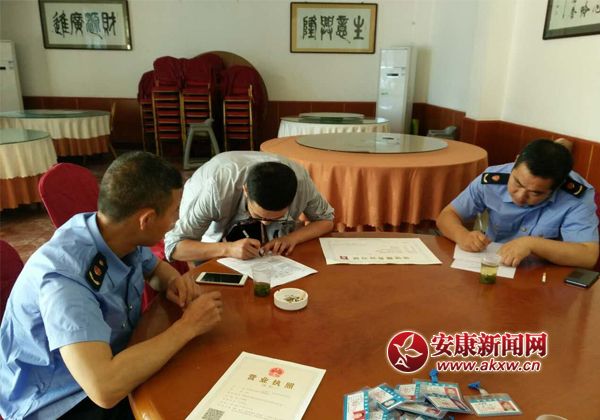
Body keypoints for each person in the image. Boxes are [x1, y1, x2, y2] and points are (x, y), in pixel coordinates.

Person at [0, 152, 223, 419]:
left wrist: (173, 281)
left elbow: (153, 268)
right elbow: (104, 389)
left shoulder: (112, 231)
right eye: (173, 212)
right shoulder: (65, 283)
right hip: (61, 400)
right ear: (146, 220)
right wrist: (188, 327)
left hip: (108, 363)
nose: (175, 222)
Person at [437, 139, 599, 268]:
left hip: (544, 274)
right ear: (515, 162)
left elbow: (588, 255)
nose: (521, 197)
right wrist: (462, 235)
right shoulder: (492, 180)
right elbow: (447, 215)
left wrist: (533, 244)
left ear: (557, 186)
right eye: (517, 183)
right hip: (494, 264)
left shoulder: (576, 197)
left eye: (536, 193)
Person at [164, 151, 335, 262]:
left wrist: (290, 238)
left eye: (276, 218)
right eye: (259, 216)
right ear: (245, 190)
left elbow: (326, 220)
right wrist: (227, 249)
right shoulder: (216, 188)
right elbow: (174, 247)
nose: (265, 223)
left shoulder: (302, 184)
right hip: (213, 195)